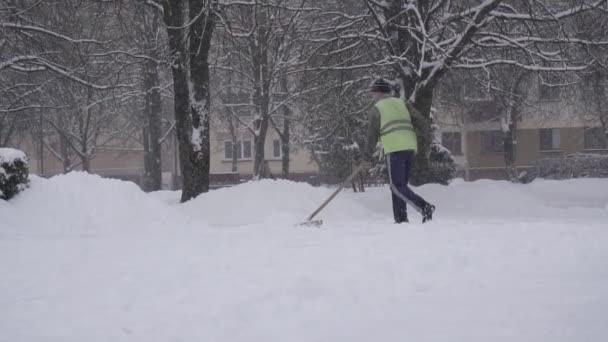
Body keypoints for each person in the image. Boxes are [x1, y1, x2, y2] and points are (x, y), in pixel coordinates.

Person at [364, 78, 435, 223]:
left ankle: (424, 207)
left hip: (394, 148)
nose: (372, 97)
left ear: (379, 93)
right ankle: (401, 220)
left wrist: (366, 157)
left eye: (373, 93)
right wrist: (424, 140)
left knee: (396, 186)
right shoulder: (403, 104)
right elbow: (421, 121)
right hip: (410, 147)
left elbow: (372, 134)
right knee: (400, 186)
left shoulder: (378, 108)